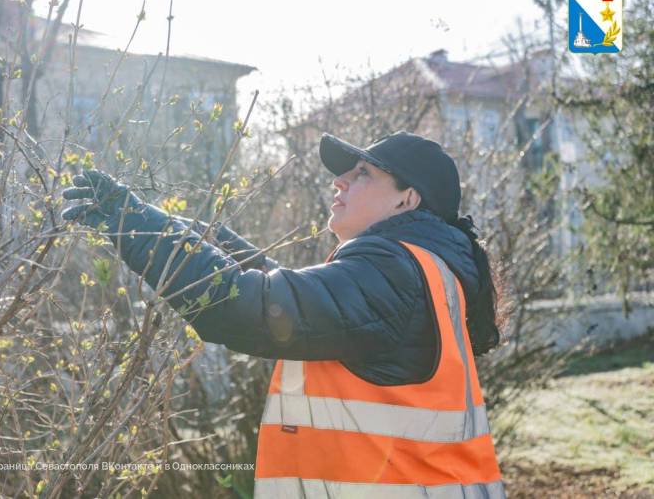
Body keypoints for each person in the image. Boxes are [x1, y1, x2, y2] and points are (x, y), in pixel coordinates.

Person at [61, 130, 506, 498]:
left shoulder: (393, 271)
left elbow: (251, 309)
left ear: (406, 200)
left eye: (363, 173)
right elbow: (309, 310)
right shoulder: (417, 269)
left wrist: (136, 226)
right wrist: (207, 241)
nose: (340, 182)